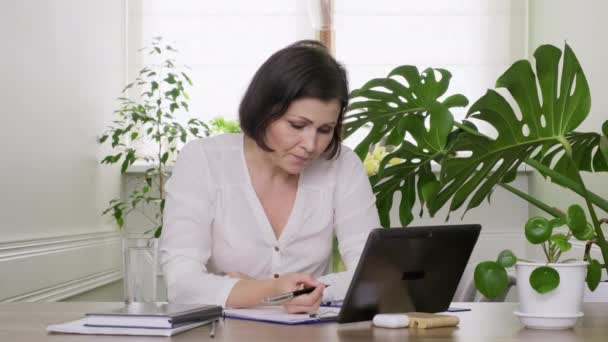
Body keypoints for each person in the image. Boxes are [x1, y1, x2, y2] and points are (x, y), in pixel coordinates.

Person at [159, 40, 380, 314]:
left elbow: (372, 274)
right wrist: (272, 291)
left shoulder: (342, 165)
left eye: (325, 130)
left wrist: (270, 292)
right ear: (263, 109)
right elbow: (182, 284)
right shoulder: (203, 160)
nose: (311, 144)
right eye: (297, 125)